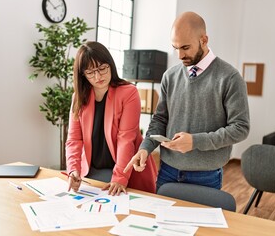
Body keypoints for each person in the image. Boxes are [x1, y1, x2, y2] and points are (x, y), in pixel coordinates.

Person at [124, 11, 250, 191]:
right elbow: (160, 120)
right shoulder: (170, 76)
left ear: (204, 40)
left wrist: (195, 141)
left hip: (206, 176)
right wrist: (145, 148)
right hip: (167, 171)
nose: (179, 55)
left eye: (185, 47)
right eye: (175, 48)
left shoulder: (230, 78)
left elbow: (240, 128)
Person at [66, 41, 157, 195]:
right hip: (92, 172)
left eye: (102, 68)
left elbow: (126, 139)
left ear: (110, 65)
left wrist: (119, 177)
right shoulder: (79, 97)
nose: (98, 76)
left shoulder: (128, 93)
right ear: (83, 74)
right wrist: (73, 169)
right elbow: (74, 139)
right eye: (90, 72)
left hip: (127, 172)